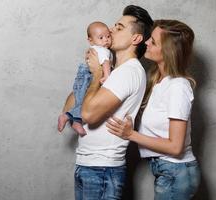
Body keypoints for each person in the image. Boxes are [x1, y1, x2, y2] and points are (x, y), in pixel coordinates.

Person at [59, 5, 153, 200]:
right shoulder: (114, 71)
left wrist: (97, 76)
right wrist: (88, 75)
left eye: (119, 28)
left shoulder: (129, 72)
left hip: (102, 169)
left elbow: (88, 115)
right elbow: (69, 107)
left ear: (136, 39)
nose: (110, 30)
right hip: (88, 164)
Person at [106, 19, 201, 199]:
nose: (147, 42)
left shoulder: (178, 87)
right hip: (167, 170)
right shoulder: (159, 81)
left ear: (168, 52)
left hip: (176, 172)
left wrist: (130, 134)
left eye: (153, 42)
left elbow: (175, 147)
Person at [57, 21, 113, 136]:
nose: (106, 40)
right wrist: (107, 75)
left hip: (83, 74)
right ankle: (70, 118)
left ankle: (72, 119)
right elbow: (105, 63)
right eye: (101, 37)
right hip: (88, 75)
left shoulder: (94, 49)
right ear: (90, 40)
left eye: (108, 36)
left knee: (81, 99)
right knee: (83, 99)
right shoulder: (103, 50)